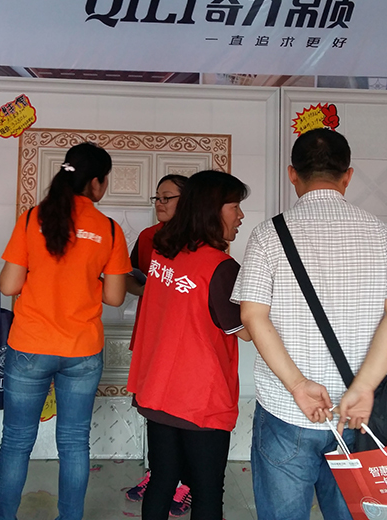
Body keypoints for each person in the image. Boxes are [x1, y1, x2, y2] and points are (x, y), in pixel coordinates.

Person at [231, 128, 387, 520]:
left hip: (286, 410)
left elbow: (251, 316)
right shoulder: (382, 235)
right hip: (357, 413)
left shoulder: (267, 235)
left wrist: (298, 385)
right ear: (348, 175)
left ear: (292, 174)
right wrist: (363, 388)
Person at [0, 142, 132, 520]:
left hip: (30, 345)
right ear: (96, 182)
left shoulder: (31, 219)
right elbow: (115, 297)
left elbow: (8, 285)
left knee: (16, 441)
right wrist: (85, 278)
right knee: (73, 443)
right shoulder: (109, 229)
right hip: (82, 349)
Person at [128, 170, 253, 520]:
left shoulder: (164, 255)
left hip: (158, 391)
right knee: (207, 490)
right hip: (201, 400)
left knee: (162, 479)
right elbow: (245, 331)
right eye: (235, 206)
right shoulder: (221, 267)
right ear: (213, 210)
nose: (240, 216)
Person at [124, 173, 192, 514]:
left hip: (187, 341)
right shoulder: (148, 237)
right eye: (157, 198)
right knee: (154, 410)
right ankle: (159, 474)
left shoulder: (202, 239)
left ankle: (185, 483)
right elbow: (130, 280)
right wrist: (148, 289)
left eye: (168, 198)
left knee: (183, 412)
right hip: (152, 334)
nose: (160, 204)